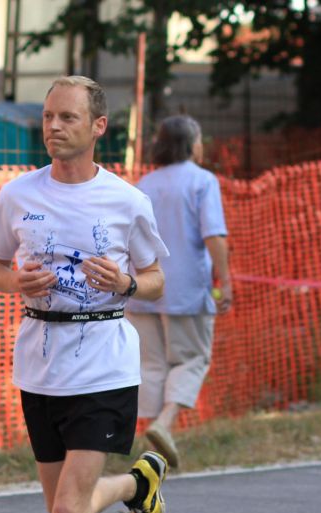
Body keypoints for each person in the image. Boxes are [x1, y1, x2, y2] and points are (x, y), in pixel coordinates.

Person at [0, 75, 170, 513]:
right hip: (41, 363)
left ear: (98, 128)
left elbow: (158, 279)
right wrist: (18, 283)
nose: (53, 126)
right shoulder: (17, 195)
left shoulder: (126, 201)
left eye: (66, 117)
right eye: (48, 117)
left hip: (106, 365)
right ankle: (137, 484)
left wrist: (124, 283)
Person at [127, 115, 232, 469]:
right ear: (192, 144)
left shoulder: (144, 183)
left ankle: (151, 451)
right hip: (186, 288)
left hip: (142, 287)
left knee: (152, 364)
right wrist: (226, 279)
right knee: (192, 359)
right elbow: (213, 234)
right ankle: (164, 424)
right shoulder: (203, 181)